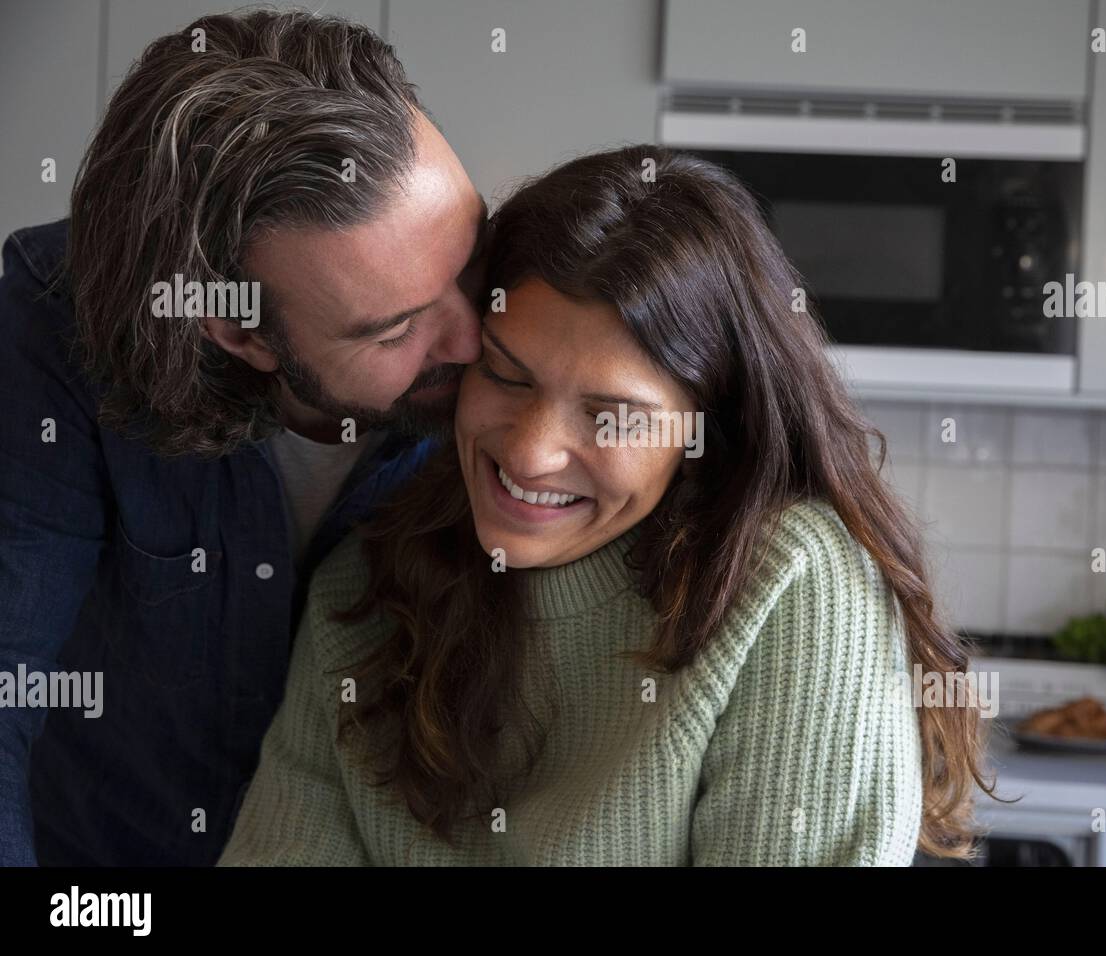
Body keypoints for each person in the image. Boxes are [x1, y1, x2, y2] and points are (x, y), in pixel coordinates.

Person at [219, 145, 993, 866]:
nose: (528, 452)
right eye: (507, 375)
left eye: (611, 414)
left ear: (706, 429)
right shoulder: (363, 587)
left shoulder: (791, 583)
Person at [0, 10, 486, 865]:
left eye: (469, 265)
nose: (476, 342)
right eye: (396, 327)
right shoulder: (54, 329)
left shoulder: (521, 333)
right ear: (239, 331)